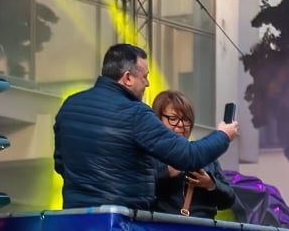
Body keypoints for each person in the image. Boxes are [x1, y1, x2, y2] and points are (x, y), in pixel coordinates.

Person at [53, 42, 238, 210]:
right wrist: (223, 135)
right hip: (120, 219)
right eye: (145, 76)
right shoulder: (135, 113)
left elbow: (60, 163)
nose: (148, 83)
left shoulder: (70, 105)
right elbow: (190, 156)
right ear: (128, 78)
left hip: (76, 216)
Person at [150, 89, 238, 218]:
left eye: (186, 120)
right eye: (173, 119)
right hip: (162, 227)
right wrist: (167, 172)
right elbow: (136, 190)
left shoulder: (203, 155)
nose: (181, 124)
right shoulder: (149, 153)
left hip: (201, 228)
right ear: (158, 119)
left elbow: (229, 200)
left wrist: (210, 184)